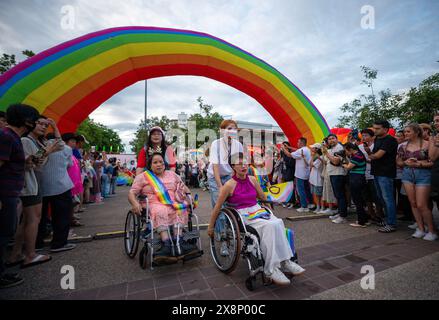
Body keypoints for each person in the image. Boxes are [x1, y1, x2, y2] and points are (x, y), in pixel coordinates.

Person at [207, 152, 305, 286]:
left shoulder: (253, 180)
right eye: (239, 164)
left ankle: (286, 261)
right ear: (233, 167)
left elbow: (263, 197)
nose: (243, 166)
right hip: (243, 215)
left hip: (257, 210)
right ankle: (270, 269)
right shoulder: (229, 185)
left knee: (278, 222)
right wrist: (211, 226)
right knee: (270, 227)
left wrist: (270, 206)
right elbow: (218, 207)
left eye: (245, 163)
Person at [8, 117, 64, 269]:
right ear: (31, 124)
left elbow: (60, 145)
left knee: (26, 220)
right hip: (30, 183)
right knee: (33, 219)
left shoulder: (39, 142)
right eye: (41, 124)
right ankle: (30, 255)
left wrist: (55, 127)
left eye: (46, 125)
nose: (44, 127)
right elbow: (31, 162)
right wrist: (48, 151)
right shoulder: (26, 141)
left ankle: (16, 254)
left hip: (36, 181)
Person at [128, 153, 196, 263]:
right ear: (150, 165)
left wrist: (190, 196)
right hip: (153, 203)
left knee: (181, 209)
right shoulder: (143, 177)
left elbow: (183, 186)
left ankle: (179, 241)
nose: (159, 164)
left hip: (172, 203)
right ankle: (166, 244)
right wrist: (135, 204)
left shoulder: (172, 175)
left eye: (161, 162)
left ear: (164, 164)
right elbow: (131, 193)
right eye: (155, 162)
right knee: (161, 210)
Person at [0, 103, 40, 289]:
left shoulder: (13, 138)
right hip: (4, 194)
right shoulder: (7, 137)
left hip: (11, 193)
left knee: (6, 232)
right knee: (2, 233)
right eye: (34, 119)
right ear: (26, 121)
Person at [36, 129, 76, 252]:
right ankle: (59, 243)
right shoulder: (66, 149)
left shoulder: (41, 148)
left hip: (41, 186)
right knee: (61, 216)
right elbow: (69, 165)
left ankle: (37, 244)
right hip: (61, 186)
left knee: (39, 218)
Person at [397, 123, 436, 241]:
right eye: (405, 131)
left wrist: (418, 163)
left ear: (416, 132)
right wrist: (405, 163)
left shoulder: (428, 144)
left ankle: (432, 231)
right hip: (407, 174)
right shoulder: (402, 146)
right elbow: (398, 162)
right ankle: (420, 228)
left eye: (408, 131)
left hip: (423, 174)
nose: (405, 134)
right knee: (413, 203)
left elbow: (433, 162)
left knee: (421, 204)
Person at [367, 120, 399, 233]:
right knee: (382, 199)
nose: (374, 130)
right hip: (377, 172)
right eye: (374, 128)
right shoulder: (377, 139)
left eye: (377, 128)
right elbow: (374, 156)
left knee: (388, 199)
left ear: (385, 129)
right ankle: (388, 220)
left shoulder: (390, 140)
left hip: (386, 173)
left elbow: (377, 156)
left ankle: (392, 223)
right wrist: (370, 154)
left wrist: (369, 154)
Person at [359, 128, 384, 224]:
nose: (364, 137)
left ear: (372, 136)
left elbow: (376, 159)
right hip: (363, 174)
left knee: (376, 196)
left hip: (374, 174)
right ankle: (371, 214)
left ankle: (380, 215)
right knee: (367, 196)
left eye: (366, 135)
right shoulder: (360, 147)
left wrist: (368, 157)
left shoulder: (376, 145)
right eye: (363, 136)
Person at [322, 134, 348, 223]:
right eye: (329, 139)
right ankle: (340, 212)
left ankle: (343, 216)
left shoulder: (339, 148)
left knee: (340, 195)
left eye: (333, 138)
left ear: (337, 139)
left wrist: (326, 153)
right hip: (333, 173)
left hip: (338, 174)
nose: (331, 140)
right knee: (337, 195)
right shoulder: (332, 148)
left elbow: (336, 161)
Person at [342, 143, 368, 227]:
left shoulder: (357, 156)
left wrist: (342, 163)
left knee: (358, 201)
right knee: (360, 200)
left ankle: (361, 222)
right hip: (359, 178)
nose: (345, 152)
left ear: (350, 149)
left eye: (345, 150)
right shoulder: (359, 155)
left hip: (356, 179)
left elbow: (349, 167)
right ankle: (365, 220)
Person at [289, 138, 313, 212]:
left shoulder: (301, 150)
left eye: (298, 142)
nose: (297, 143)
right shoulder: (307, 149)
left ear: (302, 143)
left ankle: (304, 206)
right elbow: (297, 150)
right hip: (306, 173)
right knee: (307, 189)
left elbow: (290, 155)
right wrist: (288, 147)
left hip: (300, 174)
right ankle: (311, 203)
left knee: (301, 190)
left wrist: (283, 148)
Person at [279, 141, 297, 209]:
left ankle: (292, 202)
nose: (283, 147)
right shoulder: (283, 154)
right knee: (286, 189)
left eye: (285, 146)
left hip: (290, 173)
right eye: (282, 146)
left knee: (291, 189)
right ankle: (287, 201)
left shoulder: (291, 154)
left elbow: (291, 164)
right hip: (284, 173)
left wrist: (285, 156)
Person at [309, 143, 324, 213]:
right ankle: (318, 207)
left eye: (313, 148)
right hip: (313, 178)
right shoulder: (316, 156)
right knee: (316, 194)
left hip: (318, 179)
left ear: (317, 149)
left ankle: (320, 207)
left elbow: (312, 165)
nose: (311, 149)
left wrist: (312, 156)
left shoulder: (320, 157)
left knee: (319, 194)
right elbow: (310, 164)